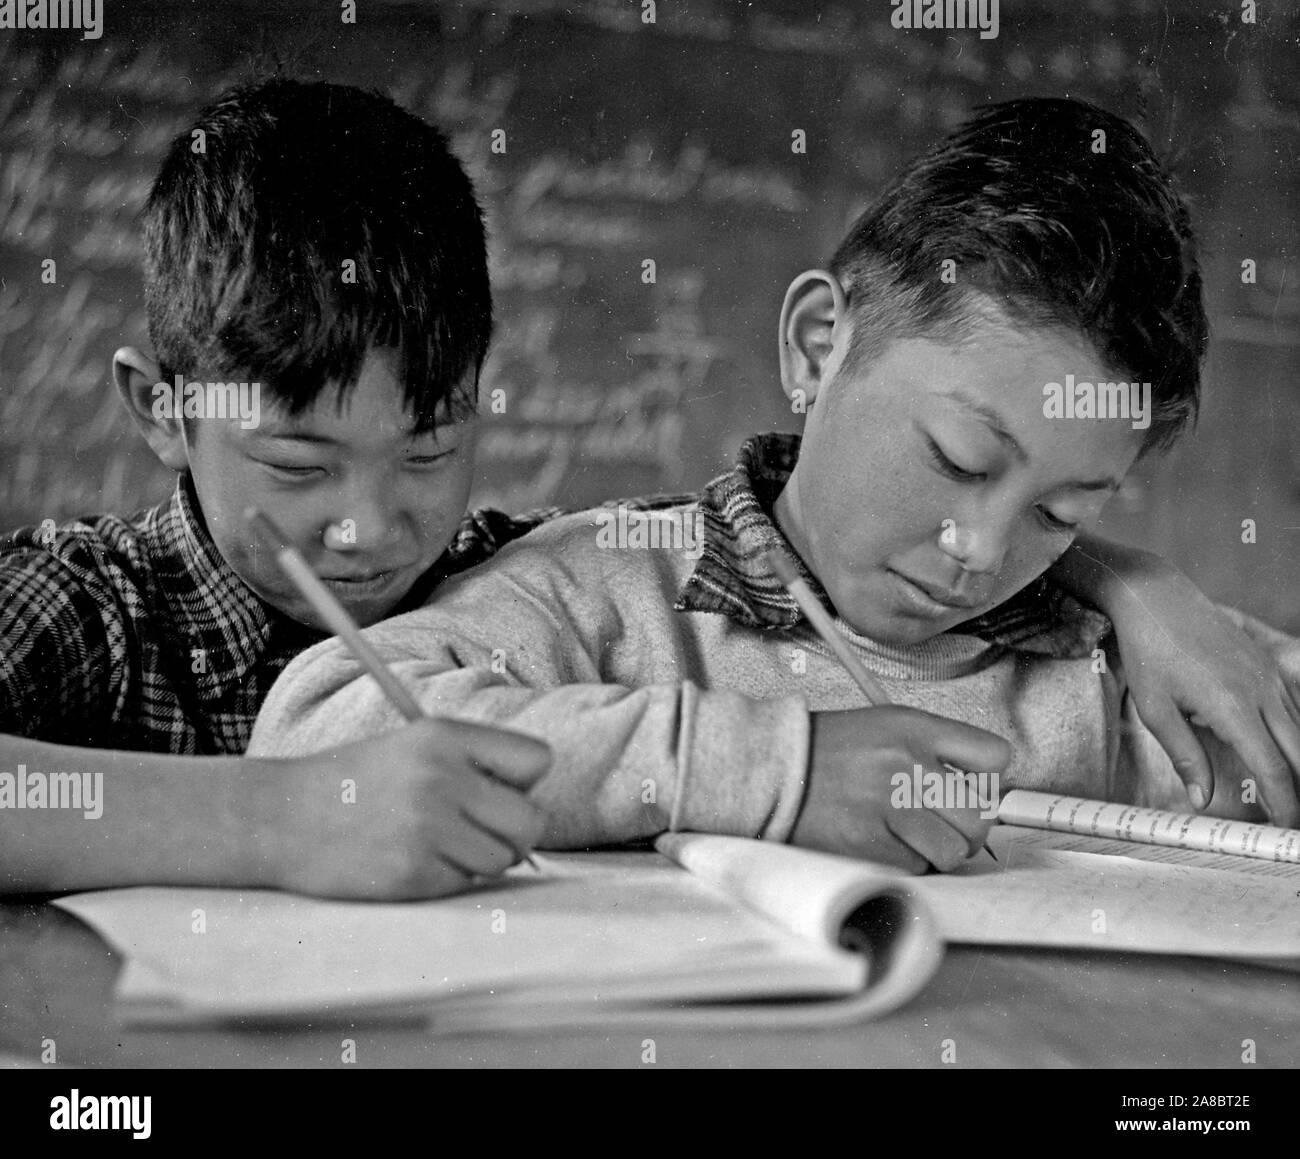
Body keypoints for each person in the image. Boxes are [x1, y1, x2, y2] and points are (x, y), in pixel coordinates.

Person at [250, 98, 1300, 873]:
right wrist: (776, 768)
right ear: (814, 347)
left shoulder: (1128, 670)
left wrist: (1136, 592)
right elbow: (322, 732)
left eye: (1060, 513)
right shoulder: (613, 589)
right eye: (957, 462)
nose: (980, 548)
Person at [0, 79, 553, 898]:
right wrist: (292, 815)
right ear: (164, 410)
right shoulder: (93, 607)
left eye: (429, 451)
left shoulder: (523, 584)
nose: (365, 530)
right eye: (299, 465)